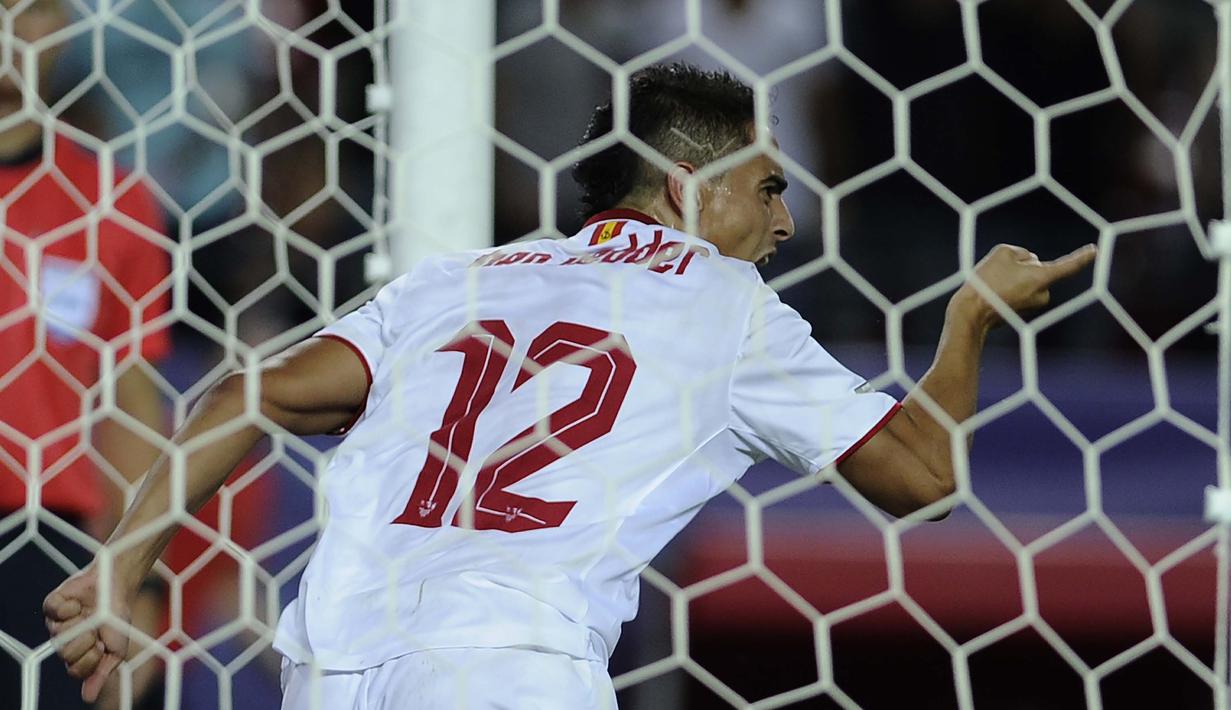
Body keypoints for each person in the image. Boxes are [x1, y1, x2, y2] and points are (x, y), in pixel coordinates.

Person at [44, 63, 1095, 709]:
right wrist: (970, 321)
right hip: (513, 665)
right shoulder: (725, 302)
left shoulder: (455, 279)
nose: (784, 223)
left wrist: (119, 567)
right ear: (688, 187)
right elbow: (921, 478)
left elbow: (244, 391)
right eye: (768, 188)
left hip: (333, 666)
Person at [0, 1, 171, 709]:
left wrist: (140, 583)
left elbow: (130, 405)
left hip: (41, 552)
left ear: (67, 23)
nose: (8, 27)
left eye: (32, 7)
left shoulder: (112, 203)